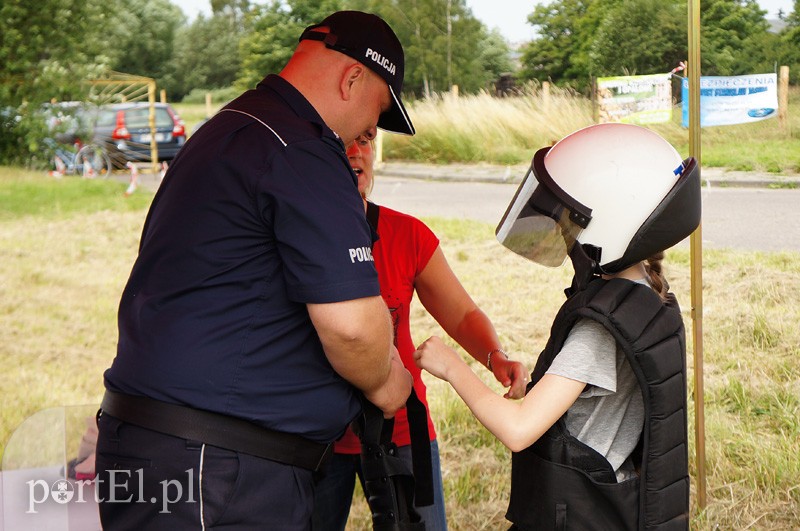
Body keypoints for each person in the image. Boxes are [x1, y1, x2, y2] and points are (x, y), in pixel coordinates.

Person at [95, 11, 417, 530]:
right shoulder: (304, 149)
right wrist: (388, 381)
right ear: (352, 78)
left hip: (161, 446)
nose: (367, 132)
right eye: (376, 113)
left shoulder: (229, 131)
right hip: (218, 469)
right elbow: (353, 329)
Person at [414, 123, 701, 530]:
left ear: (611, 224)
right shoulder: (649, 297)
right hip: (609, 508)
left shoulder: (600, 332)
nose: (565, 234)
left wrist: (451, 367)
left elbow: (518, 429)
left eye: (571, 223)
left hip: (579, 513)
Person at [311, 136, 529, 530]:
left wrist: (496, 356)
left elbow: (462, 315)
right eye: (343, 142)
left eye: (366, 140)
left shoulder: (406, 235)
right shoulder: (300, 239)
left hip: (402, 425)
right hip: (317, 431)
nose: (356, 152)